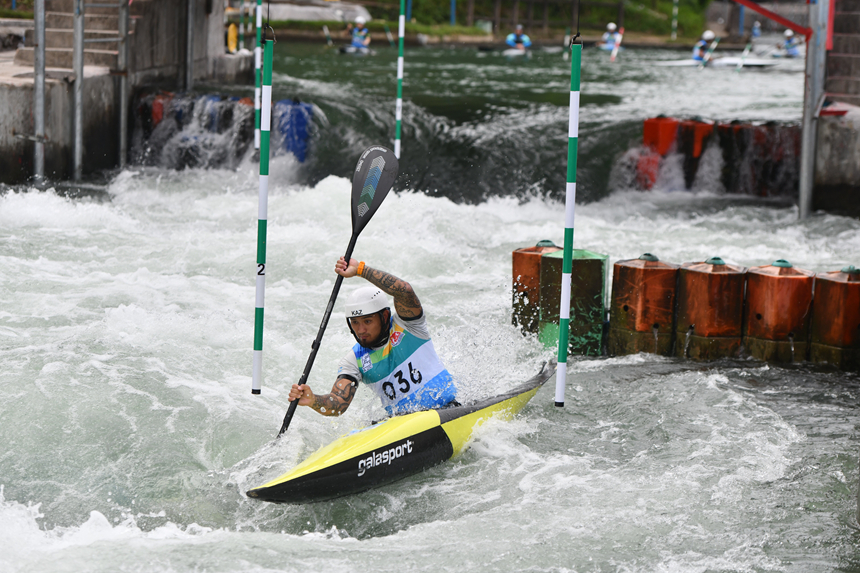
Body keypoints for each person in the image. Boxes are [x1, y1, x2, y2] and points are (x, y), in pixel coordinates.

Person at [288, 257, 457, 418]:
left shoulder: (409, 326)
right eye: (354, 322)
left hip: (448, 409)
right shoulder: (354, 360)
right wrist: (313, 400)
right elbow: (338, 404)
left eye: (367, 321)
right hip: (403, 424)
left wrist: (361, 270)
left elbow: (404, 290)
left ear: (384, 316)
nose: (361, 329)